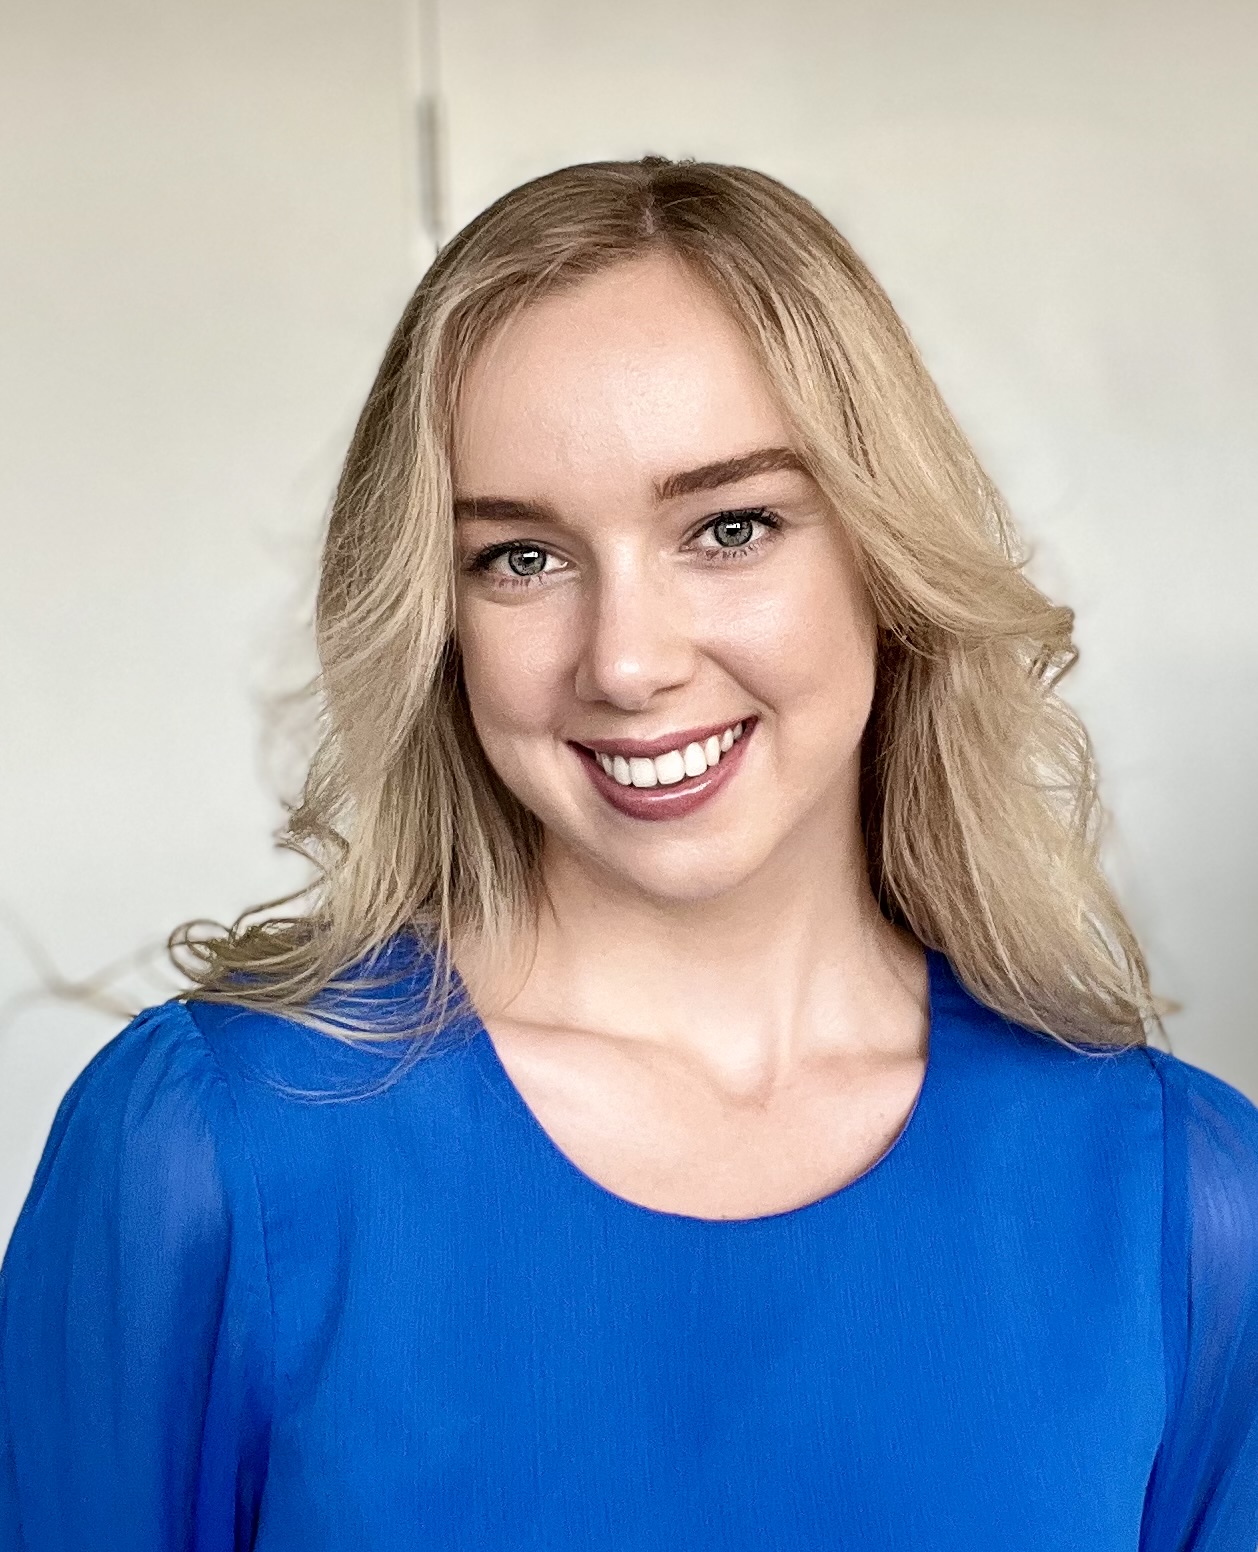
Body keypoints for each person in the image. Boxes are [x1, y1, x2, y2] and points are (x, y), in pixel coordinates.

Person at [1, 155, 1255, 1551]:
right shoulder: (213, 1150)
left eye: (729, 528)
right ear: (435, 617)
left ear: (884, 561)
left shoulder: (1174, 1199)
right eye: (519, 558)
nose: (628, 661)